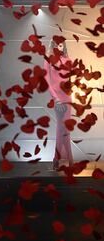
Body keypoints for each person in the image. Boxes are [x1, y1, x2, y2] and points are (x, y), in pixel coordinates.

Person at [44, 40, 74, 170]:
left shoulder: (68, 60)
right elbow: (46, 81)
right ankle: (60, 159)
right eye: (56, 45)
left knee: (66, 128)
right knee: (60, 128)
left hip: (67, 97)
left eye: (61, 45)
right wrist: (55, 98)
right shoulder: (48, 60)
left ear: (64, 46)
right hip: (57, 98)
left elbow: (69, 79)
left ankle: (63, 159)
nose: (58, 47)